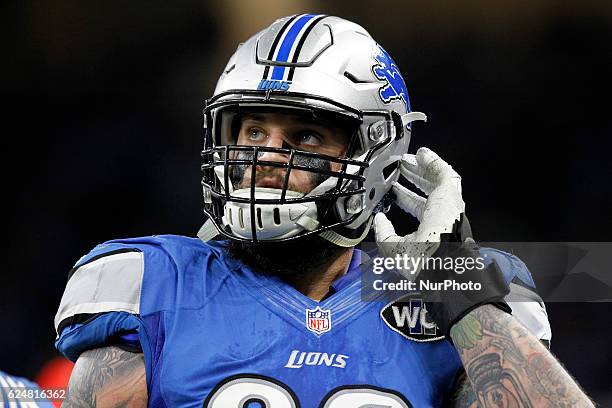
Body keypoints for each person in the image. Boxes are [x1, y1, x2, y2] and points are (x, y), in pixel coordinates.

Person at [54, 14, 593, 407]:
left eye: (305, 136)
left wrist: (462, 290)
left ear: (375, 156)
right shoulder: (156, 284)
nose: (266, 156)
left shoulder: (448, 301)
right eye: (252, 131)